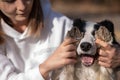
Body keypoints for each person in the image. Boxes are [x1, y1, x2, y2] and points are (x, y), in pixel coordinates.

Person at [0, 0, 119, 80]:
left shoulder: (62, 24)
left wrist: (117, 55)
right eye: (10, 0)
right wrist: (46, 67)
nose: (22, 6)